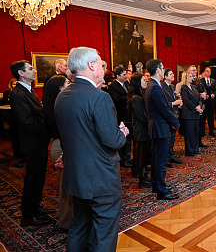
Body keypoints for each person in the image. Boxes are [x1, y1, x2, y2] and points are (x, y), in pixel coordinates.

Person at [55, 47, 128, 251]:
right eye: (100, 62)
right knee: (104, 232)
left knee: (80, 226)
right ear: (91, 65)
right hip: (101, 178)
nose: (104, 68)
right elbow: (113, 141)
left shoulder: (63, 95)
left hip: (76, 175)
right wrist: (122, 132)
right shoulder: (99, 97)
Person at [9, 60, 52, 227]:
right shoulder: (18, 94)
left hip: (37, 142)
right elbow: (26, 122)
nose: (34, 71)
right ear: (21, 73)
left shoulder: (28, 90)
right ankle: (28, 215)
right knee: (32, 178)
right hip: (32, 143)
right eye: (30, 69)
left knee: (38, 177)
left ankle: (35, 208)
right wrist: (45, 133)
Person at [144, 59, 180, 200]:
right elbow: (163, 109)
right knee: (161, 160)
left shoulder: (152, 85)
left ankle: (157, 184)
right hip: (160, 128)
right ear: (158, 70)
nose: (163, 70)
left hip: (157, 127)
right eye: (162, 68)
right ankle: (161, 190)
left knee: (156, 159)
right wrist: (175, 122)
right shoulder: (155, 87)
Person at [42, 75, 73, 231]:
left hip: (58, 145)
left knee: (67, 185)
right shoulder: (60, 107)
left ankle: (68, 221)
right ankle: (67, 223)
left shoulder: (51, 106)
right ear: (60, 88)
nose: (71, 84)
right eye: (68, 83)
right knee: (68, 187)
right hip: (63, 147)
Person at [128, 72, 152, 188]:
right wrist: (151, 123)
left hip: (143, 129)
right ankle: (142, 180)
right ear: (137, 83)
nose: (145, 82)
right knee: (140, 156)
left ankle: (144, 176)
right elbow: (141, 116)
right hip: (140, 130)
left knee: (143, 154)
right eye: (143, 80)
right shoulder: (136, 98)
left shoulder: (140, 95)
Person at [108, 66, 132, 168]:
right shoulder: (113, 86)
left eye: (126, 74)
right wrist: (130, 97)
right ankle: (122, 159)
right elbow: (116, 99)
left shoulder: (127, 83)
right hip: (120, 115)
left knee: (129, 138)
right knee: (122, 137)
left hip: (129, 115)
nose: (126, 76)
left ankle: (128, 157)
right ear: (118, 76)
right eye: (124, 75)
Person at [162, 69, 183, 164]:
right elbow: (163, 102)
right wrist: (173, 103)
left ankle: (171, 155)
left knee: (172, 137)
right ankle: (166, 158)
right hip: (167, 114)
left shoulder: (172, 86)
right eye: (170, 74)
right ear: (165, 76)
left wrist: (178, 103)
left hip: (174, 113)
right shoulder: (161, 86)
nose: (173, 75)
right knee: (167, 138)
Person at [180, 71, 202, 156]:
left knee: (196, 132)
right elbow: (186, 101)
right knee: (189, 133)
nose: (192, 78)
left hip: (196, 113)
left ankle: (195, 148)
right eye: (190, 76)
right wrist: (195, 108)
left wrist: (199, 106)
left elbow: (199, 98)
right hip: (189, 113)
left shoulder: (194, 87)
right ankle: (189, 150)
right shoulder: (184, 88)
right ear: (185, 78)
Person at [199, 67, 216, 137]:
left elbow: (215, 90)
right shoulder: (200, 81)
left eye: (209, 71)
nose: (208, 72)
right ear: (204, 72)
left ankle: (211, 131)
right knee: (203, 118)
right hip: (204, 102)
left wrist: (213, 94)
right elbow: (199, 91)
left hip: (211, 102)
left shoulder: (213, 81)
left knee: (211, 117)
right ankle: (202, 132)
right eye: (206, 71)